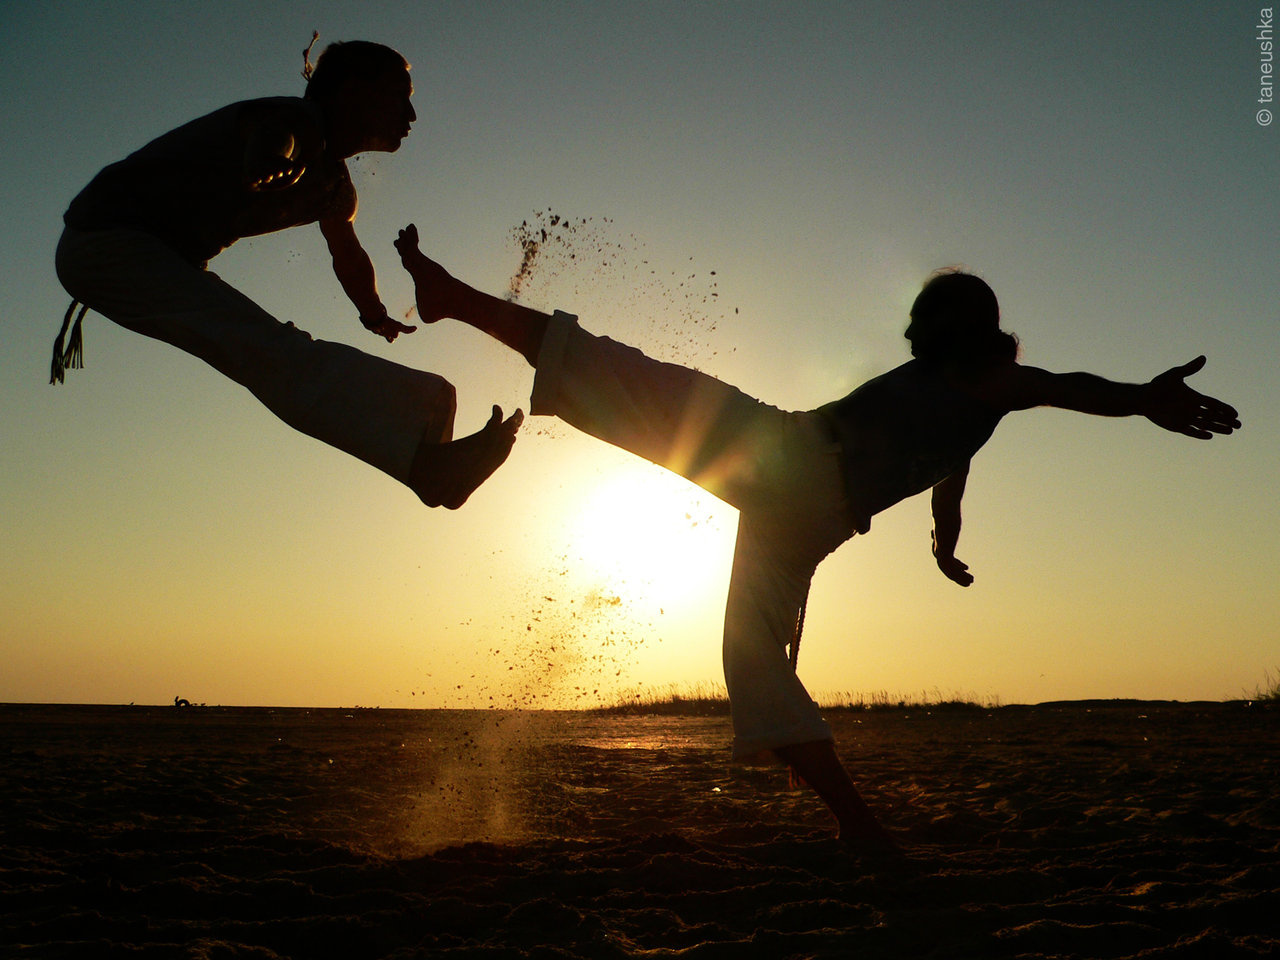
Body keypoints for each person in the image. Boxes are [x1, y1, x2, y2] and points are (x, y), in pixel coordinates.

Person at [393, 223, 1241, 849]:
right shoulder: (975, 402)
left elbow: (1069, 386)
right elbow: (952, 476)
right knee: (751, 659)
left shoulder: (993, 377)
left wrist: (1141, 396)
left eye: (925, 323)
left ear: (958, 329)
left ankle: (453, 300)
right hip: (808, 514)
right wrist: (943, 545)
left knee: (633, 383)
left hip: (792, 469)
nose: (912, 336)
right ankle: (859, 827)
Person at [52, 40, 520, 510]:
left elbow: (347, 254)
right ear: (353, 90)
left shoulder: (336, 187)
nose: (412, 114)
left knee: (271, 349)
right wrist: (271, 158)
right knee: (267, 347)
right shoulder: (298, 122)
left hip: (145, 255)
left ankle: (426, 437)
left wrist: (374, 313)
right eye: (401, 95)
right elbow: (279, 136)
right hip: (106, 239)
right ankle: (425, 456)